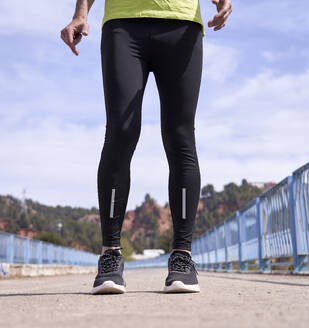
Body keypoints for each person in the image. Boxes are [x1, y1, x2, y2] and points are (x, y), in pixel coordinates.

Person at [61, 0, 232, 294]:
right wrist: (80, 13)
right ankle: (110, 256)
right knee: (121, 132)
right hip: (124, 24)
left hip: (182, 23)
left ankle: (182, 255)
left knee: (180, 136)